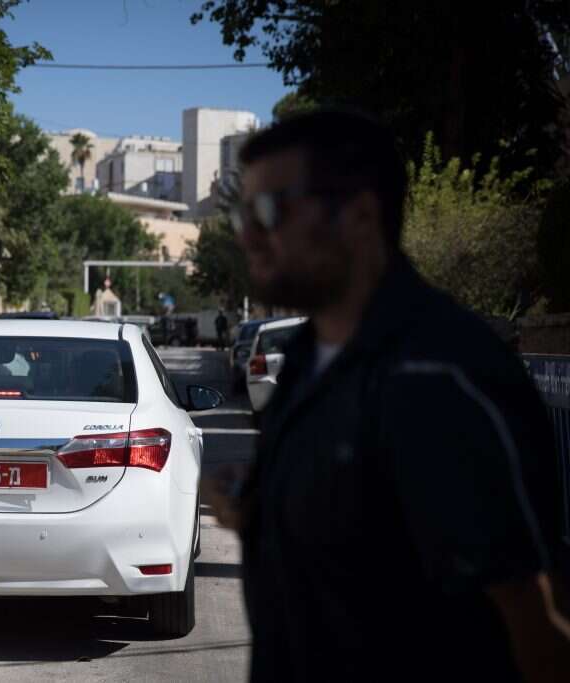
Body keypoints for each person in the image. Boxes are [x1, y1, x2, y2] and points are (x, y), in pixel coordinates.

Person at [207, 109, 570, 682]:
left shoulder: (437, 376)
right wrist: (256, 505)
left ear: (360, 215)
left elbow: (533, 624)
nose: (248, 235)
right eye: (242, 215)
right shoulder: (306, 356)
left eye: (271, 211)